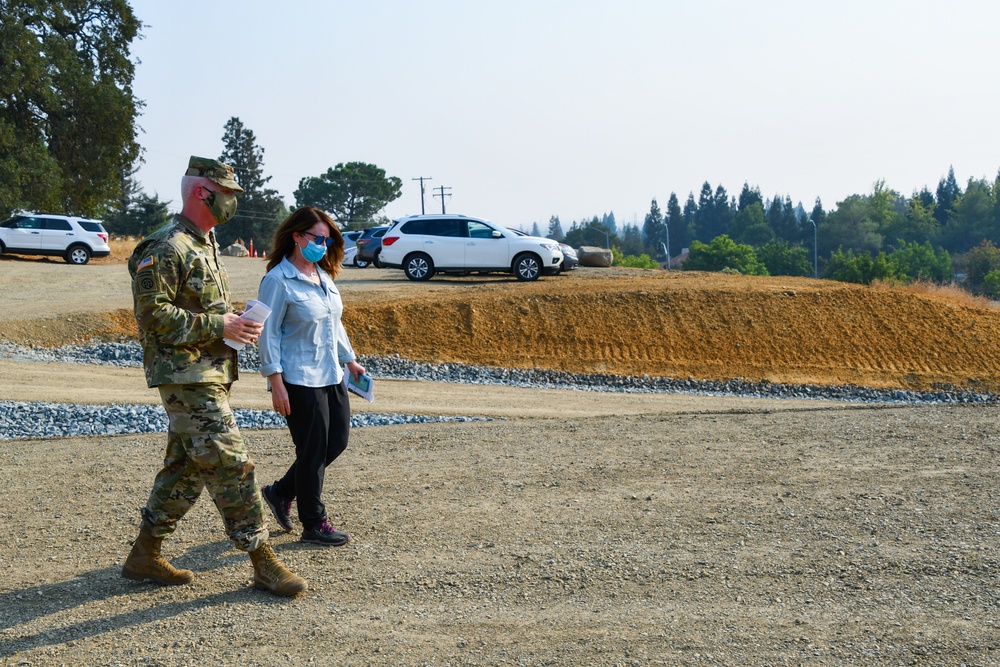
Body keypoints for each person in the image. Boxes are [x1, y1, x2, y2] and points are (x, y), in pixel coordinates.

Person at [122, 155, 307, 597]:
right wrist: (219, 326)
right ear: (203, 192)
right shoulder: (165, 246)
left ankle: (145, 556)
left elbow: (198, 309)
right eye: (228, 194)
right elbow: (152, 315)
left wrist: (233, 317)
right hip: (185, 376)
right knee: (231, 463)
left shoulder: (204, 244)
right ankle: (263, 562)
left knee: (185, 468)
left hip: (210, 372)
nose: (233, 203)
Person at [256, 206, 366, 547]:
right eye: (317, 237)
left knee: (336, 442)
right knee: (313, 449)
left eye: (327, 238)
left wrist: (350, 362)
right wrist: (275, 382)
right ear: (297, 237)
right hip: (299, 378)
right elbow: (267, 333)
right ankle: (314, 522)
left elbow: (335, 323)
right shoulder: (278, 280)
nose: (323, 243)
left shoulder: (323, 275)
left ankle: (280, 492)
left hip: (331, 373)